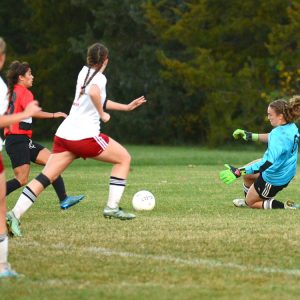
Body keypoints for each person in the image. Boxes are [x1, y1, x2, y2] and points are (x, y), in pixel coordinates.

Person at [6, 42, 146, 236]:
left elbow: (97, 97)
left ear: (89, 59)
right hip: (84, 136)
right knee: (124, 158)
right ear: (106, 60)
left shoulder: (83, 72)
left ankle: (14, 214)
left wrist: (126, 107)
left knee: (46, 176)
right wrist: (102, 114)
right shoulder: (100, 78)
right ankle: (112, 207)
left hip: (64, 135)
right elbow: (95, 93)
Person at [4, 61, 85, 237]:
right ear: (21, 77)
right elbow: (33, 113)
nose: (32, 76)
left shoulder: (10, 93)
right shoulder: (23, 92)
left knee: (52, 161)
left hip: (23, 140)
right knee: (21, 179)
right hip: (16, 140)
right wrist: (55, 115)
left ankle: (64, 199)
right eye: (30, 74)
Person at [0, 37, 41, 278]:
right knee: (1, 203)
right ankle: (3, 267)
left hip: (17, 140)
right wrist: (25, 114)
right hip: (15, 139)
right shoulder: (5, 89)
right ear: (2, 58)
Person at [220, 96, 300, 209]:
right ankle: (253, 198)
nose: (268, 117)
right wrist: (250, 136)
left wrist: (238, 172)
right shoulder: (290, 127)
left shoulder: (279, 136)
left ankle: (285, 206)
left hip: (275, 177)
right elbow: (272, 137)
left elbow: (266, 163)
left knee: (251, 203)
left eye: (270, 114)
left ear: (280, 116)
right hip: (284, 169)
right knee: (248, 175)